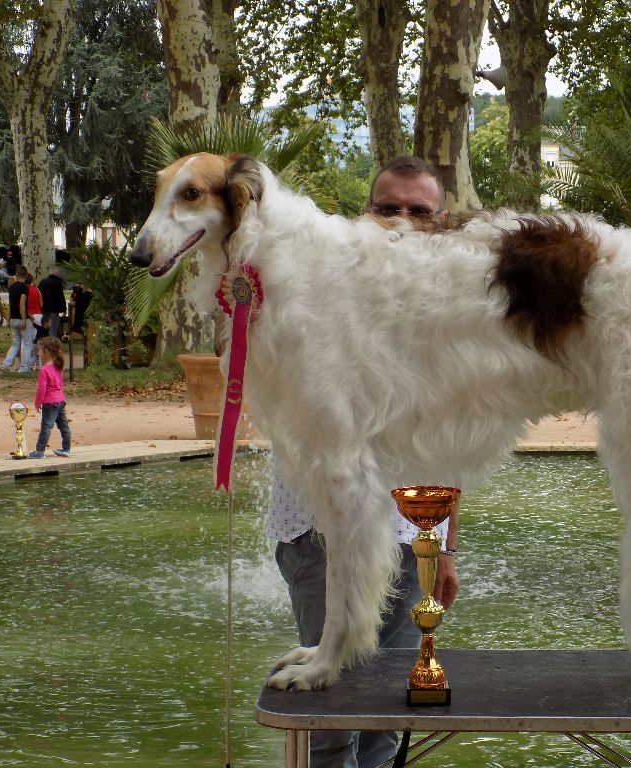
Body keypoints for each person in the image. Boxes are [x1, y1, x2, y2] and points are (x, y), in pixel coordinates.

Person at [267, 155, 455, 768]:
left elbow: (450, 439)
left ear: (440, 220)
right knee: (331, 720)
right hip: (321, 528)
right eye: (387, 207)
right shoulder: (317, 282)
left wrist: (443, 542)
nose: (402, 221)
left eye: (418, 210)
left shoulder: (451, 308)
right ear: (365, 212)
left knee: (390, 718)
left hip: (408, 535)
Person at [27, 336, 71, 458]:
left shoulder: (43, 370)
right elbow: (59, 384)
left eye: (40, 350)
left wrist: (38, 403)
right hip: (60, 399)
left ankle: (39, 451)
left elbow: (41, 389)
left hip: (50, 401)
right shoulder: (58, 366)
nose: (38, 353)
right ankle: (66, 448)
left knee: (46, 426)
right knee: (64, 425)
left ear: (47, 352)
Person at [1, 265, 35, 372]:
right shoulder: (24, 287)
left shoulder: (11, 287)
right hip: (21, 318)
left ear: (16, 274)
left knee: (15, 343)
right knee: (28, 343)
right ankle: (25, 367)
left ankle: (6, 364)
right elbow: (22, 303)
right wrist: (24, 318)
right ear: (26, 275)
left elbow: (11, 304)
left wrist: (8, 318)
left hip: (13, 319)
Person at [38, 267, 67, 338]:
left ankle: (43, 343)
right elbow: (60, 298)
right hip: (54, 310)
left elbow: (38, 294)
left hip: (43, 309)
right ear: (57, 274)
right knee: (53, 328)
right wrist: (64, 309)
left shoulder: (43, 281)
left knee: (43, 327)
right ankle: (51, 345)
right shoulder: (57, 283)